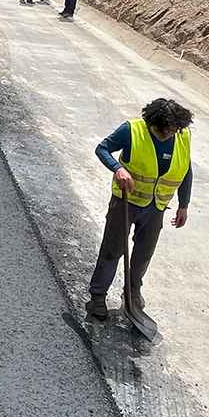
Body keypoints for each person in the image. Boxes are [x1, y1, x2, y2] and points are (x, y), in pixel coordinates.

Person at [86, 98, 194, 321]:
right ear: (152, 122)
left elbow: (186, 170)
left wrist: (184, 205)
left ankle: (133, 294)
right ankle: (97, 297)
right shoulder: (132, 130)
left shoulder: (183, 136)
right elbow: (102, 148)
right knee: (113, 250)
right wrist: (117, 168)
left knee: (143, 255)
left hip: (157, 207)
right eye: (161, 130)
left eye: (171, 130)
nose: (166, 134)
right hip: (125, 202)